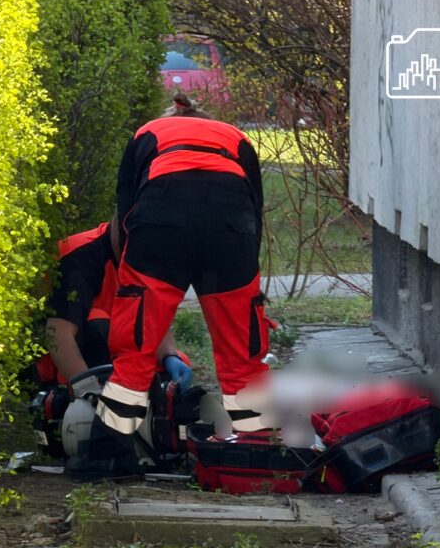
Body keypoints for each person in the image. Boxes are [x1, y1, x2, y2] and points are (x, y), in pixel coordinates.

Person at [95, 92, 271, 443]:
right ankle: (257, 448)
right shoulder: (236, 138)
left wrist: (133, 279)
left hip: (160, 225)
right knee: (241, 351)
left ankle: (109, 451)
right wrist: (243, 269)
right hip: (230, 230)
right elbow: (255, 206)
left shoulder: (147, 132)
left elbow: (126, 208)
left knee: (136, 349)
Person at [45, 216, 192, 400]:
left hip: (110, 352)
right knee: (99, 325)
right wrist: (87, 391)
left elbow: (151, 317)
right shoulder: (80, 257)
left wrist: (170, 356)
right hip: (59, 358)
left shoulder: (146, 259)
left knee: (176, 365)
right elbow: (57, 335)